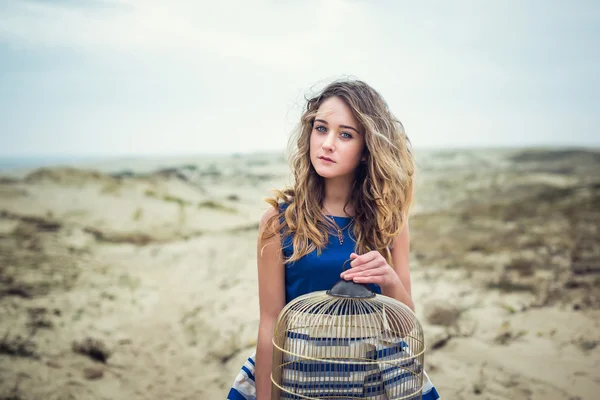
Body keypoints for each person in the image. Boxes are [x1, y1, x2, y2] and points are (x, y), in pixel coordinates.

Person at [227, 79, 440, 400]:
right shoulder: (278, 221)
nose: (327, 143)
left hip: (373, 377)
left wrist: (389, 279)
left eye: (345, 134)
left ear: (367, 150)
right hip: (299, 372)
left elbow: (404, 328)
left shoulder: (389, 221)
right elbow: (270, 323)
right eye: (321, 128)